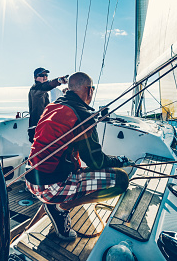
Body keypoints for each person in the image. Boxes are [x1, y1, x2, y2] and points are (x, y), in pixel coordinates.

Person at [25, 72, 132, 241]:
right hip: (50, 187)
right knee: (121, 180)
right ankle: (61, 207)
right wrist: (118, 160)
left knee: (81, 171)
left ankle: (53, 205)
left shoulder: (52, 107)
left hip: (31, 179)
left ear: (68, 90)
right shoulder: (83, 116)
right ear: (89, 91)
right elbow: (96, 161)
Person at [28, 67, 68, 142]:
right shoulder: (35, 89)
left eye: (46, 75)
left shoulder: (43, 92)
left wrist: (63, 93)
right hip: (37, 128)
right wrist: (58, 81)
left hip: (43, 127)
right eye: (42, 75)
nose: (45, 77)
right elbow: (47, 85)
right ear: (35, 77)